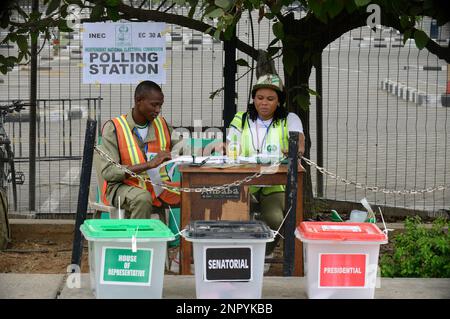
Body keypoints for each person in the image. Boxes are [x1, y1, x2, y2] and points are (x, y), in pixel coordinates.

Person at [227, 73, 305, 255]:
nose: (264, 103)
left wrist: (296, 149)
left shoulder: (289, 119)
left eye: (270, 99)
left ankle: (263, 254)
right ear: (253, 98)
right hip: (245, 180)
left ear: (279, 101)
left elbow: (299, 141)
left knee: (275, 219)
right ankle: (240, 255)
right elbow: (232, 144)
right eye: (260, 98)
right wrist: (231, 148)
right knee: (233, 213)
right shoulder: (241, 118)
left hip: (275, 183)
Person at [96, 80, 180, 219]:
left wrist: (211, 148)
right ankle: (138, 241)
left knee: (193, 194)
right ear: (138, 101)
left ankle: (187, 240)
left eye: (160, 105)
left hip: (155, 186)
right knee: (142, 198)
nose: (158, 110)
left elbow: (183, 147)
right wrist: (148, 164)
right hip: (121, 186)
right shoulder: (114, 128)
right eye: (154, 105)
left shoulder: (163, 124)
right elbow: (109, 172)